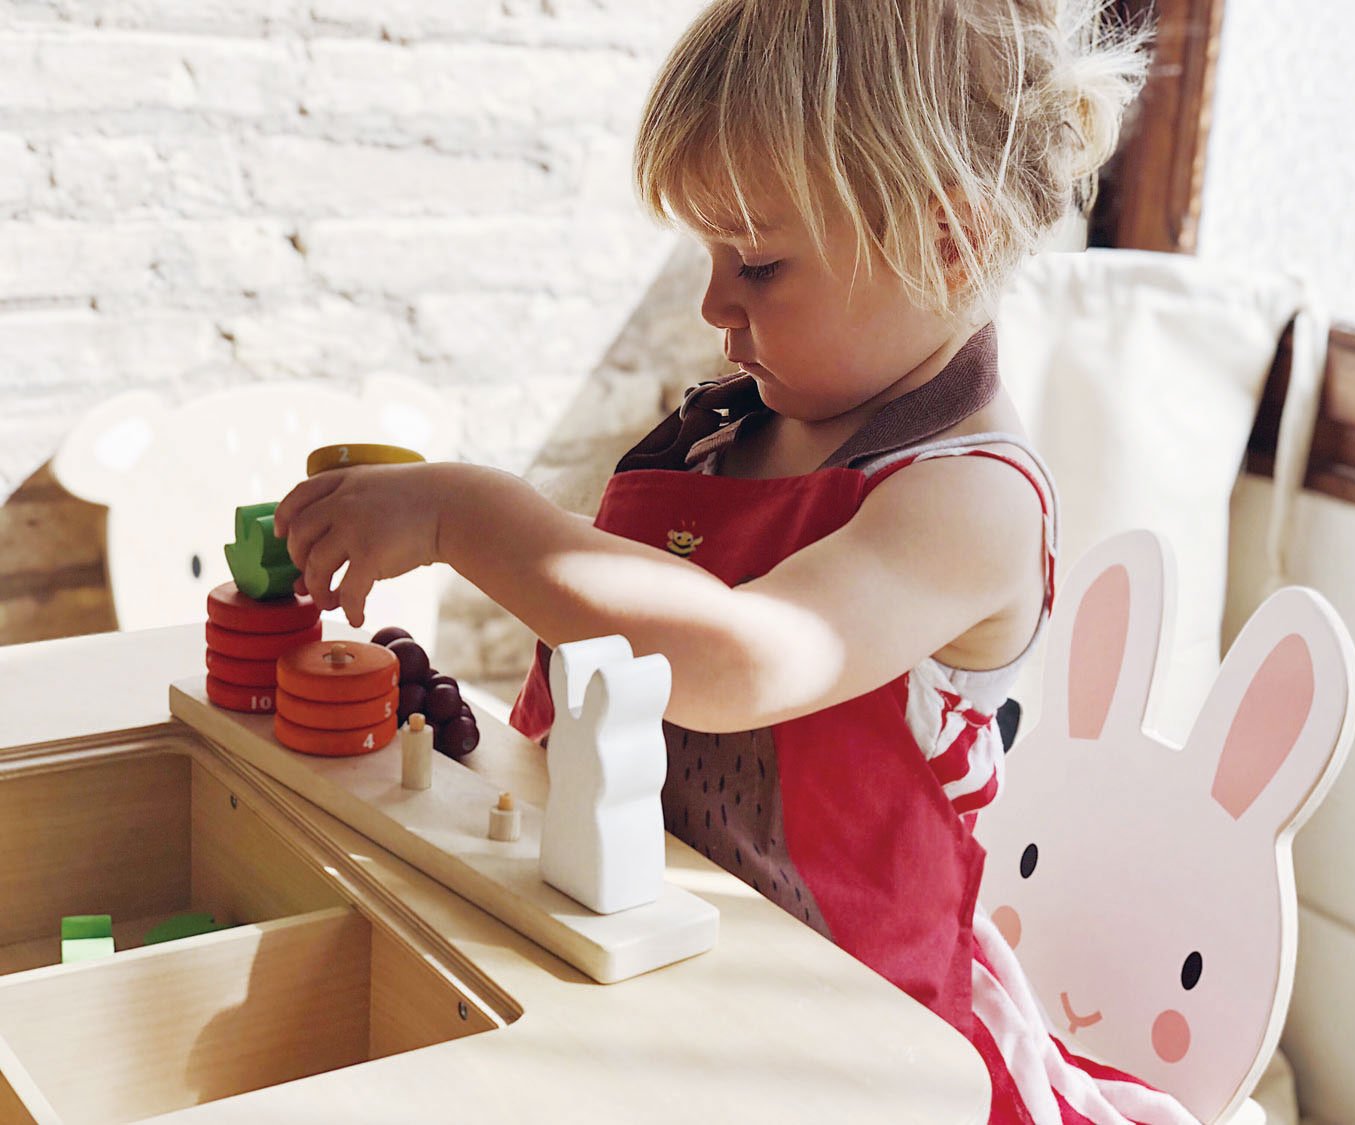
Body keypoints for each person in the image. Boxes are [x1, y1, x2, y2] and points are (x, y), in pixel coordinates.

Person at [276, 2, 1197, 1120]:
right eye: (709, 253)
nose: (715, 306)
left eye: (757, 264)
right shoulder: (725, 433)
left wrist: (471, 516)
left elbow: (740, 663)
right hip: (640, 961)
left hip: (844, 1045)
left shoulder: (970, 500)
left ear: (946, 243)